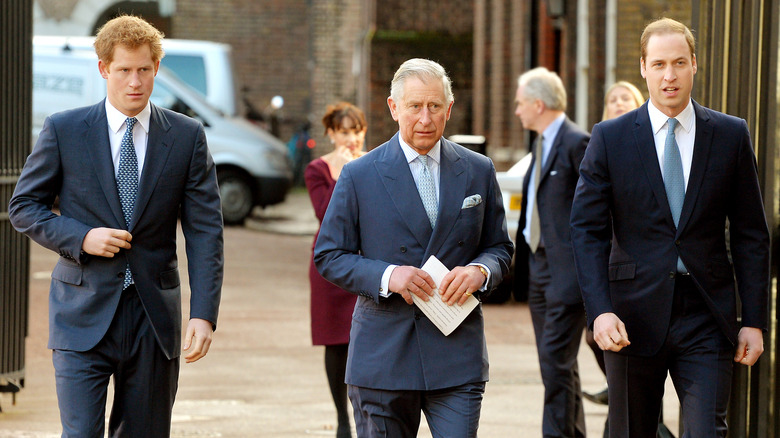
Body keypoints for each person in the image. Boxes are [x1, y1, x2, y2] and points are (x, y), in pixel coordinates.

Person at [9, 15, 224, 437]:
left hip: (153, 320)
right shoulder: (64, 130)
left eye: (144, 69)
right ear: (104, 68)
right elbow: (24, 206)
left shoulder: (185, 136)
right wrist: (81, 237)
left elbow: (205, 231)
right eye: (124, 69)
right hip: (79, 314)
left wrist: (204, 313)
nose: (135, 81)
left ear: (156, 68)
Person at [571, 17, 769, 437]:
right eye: (659, 64)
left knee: (706, 431)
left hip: (707, 314)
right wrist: (600, 311)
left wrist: (753, 318)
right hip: (630, 316)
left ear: (695, 64)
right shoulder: (610, 138)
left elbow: (752, 233)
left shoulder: (731, 135)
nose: (669, 75)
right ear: (643, 67)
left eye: (679, 63)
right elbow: (586, 231)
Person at [314, 58, 513, 438]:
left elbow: (499, 248)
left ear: (449, 109)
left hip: (457, 353)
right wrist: (389, 275)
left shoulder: (478, 169)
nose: (425, 118)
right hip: (383, 357)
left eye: (435, 106)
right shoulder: (360, 175)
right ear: (393, 108)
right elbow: (329, 255)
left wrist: (480, 271)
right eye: (415, 106)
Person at [513, 67, 590, 438]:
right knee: (558, 363)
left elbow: (598, 211)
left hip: (566, 272)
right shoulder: (541, 142)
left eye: (520, 103)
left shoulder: (578, 143)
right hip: (538, 268)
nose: (517, 110)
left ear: (538, 104)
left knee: (555, 364)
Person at [304, 102, 367, 438]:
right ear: (331, 133)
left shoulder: (374, 163)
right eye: (344, 131)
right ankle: (342, 419)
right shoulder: (317, 169)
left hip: (368, 263)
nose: (351, 138)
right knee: (336, 343)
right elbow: (324, 214)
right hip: (331, 267)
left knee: (368, 338)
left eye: (356, 131)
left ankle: (366, 413)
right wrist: (342, 172)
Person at [582, 80, 645, 408]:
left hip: (639, 263)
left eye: (626, 98)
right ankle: (615, 390)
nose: (619, 103)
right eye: (613, 99)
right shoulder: (601, 143)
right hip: (605, 259)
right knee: (597, 335)